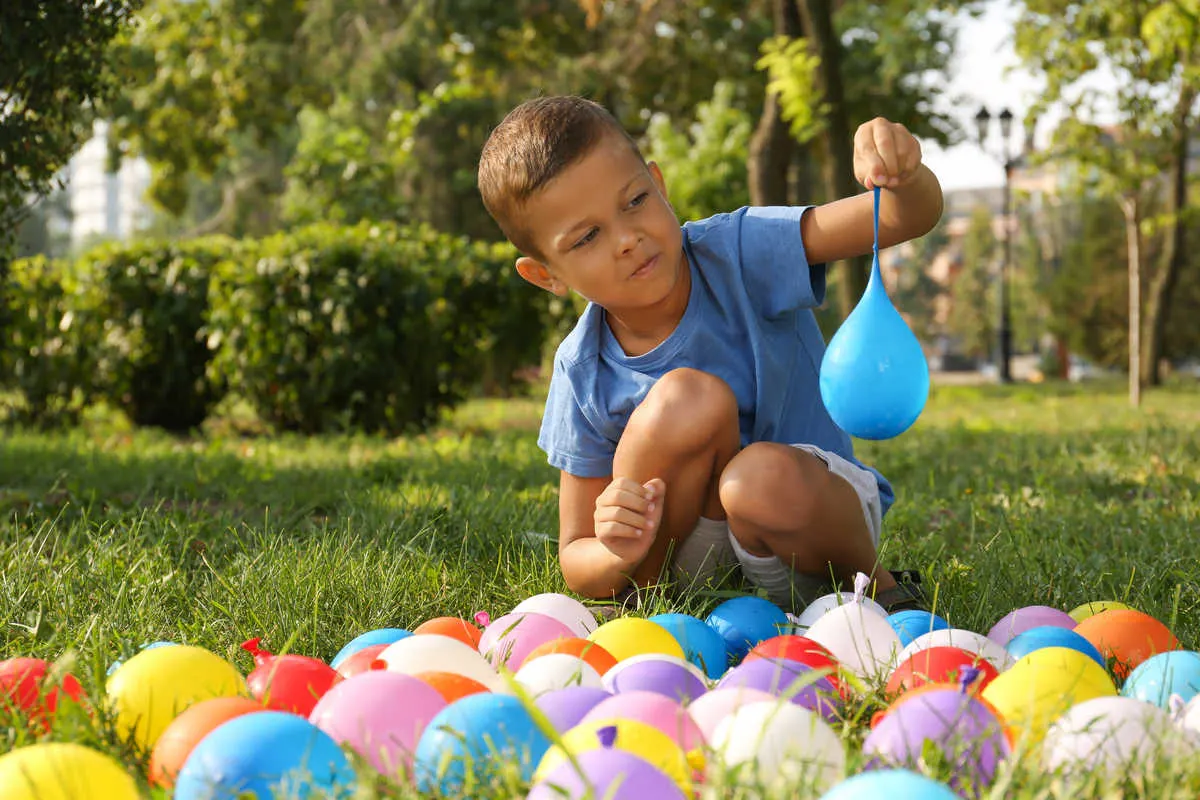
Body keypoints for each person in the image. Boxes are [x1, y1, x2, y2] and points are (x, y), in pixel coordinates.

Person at [476, 95, 943, 613]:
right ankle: (649, 606)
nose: (628, 238)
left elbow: (903, 217)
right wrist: (614, 552)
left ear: (660, 185)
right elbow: (576, 556)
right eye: (587, 237)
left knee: (753, 477)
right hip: (685, 562)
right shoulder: (582, 367)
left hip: (814, 528)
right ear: (546, 275)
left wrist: (901, 172)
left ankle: (883, 592)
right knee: (684, 400)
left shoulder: (741, 252)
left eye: (635, 201)